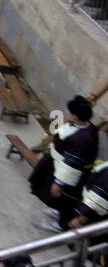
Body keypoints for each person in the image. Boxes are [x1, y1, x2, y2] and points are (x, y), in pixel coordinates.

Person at [31, 95, 101, 231]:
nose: (66, 112)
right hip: (58, 166)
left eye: (69, 111)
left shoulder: (82, 140)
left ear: (76, 116)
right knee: (59, 197)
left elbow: (72, 164)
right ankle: (57, 209)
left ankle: (61, 224)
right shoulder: (85, 126)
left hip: (68, 174)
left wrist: (59, 183)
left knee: (65, 198)